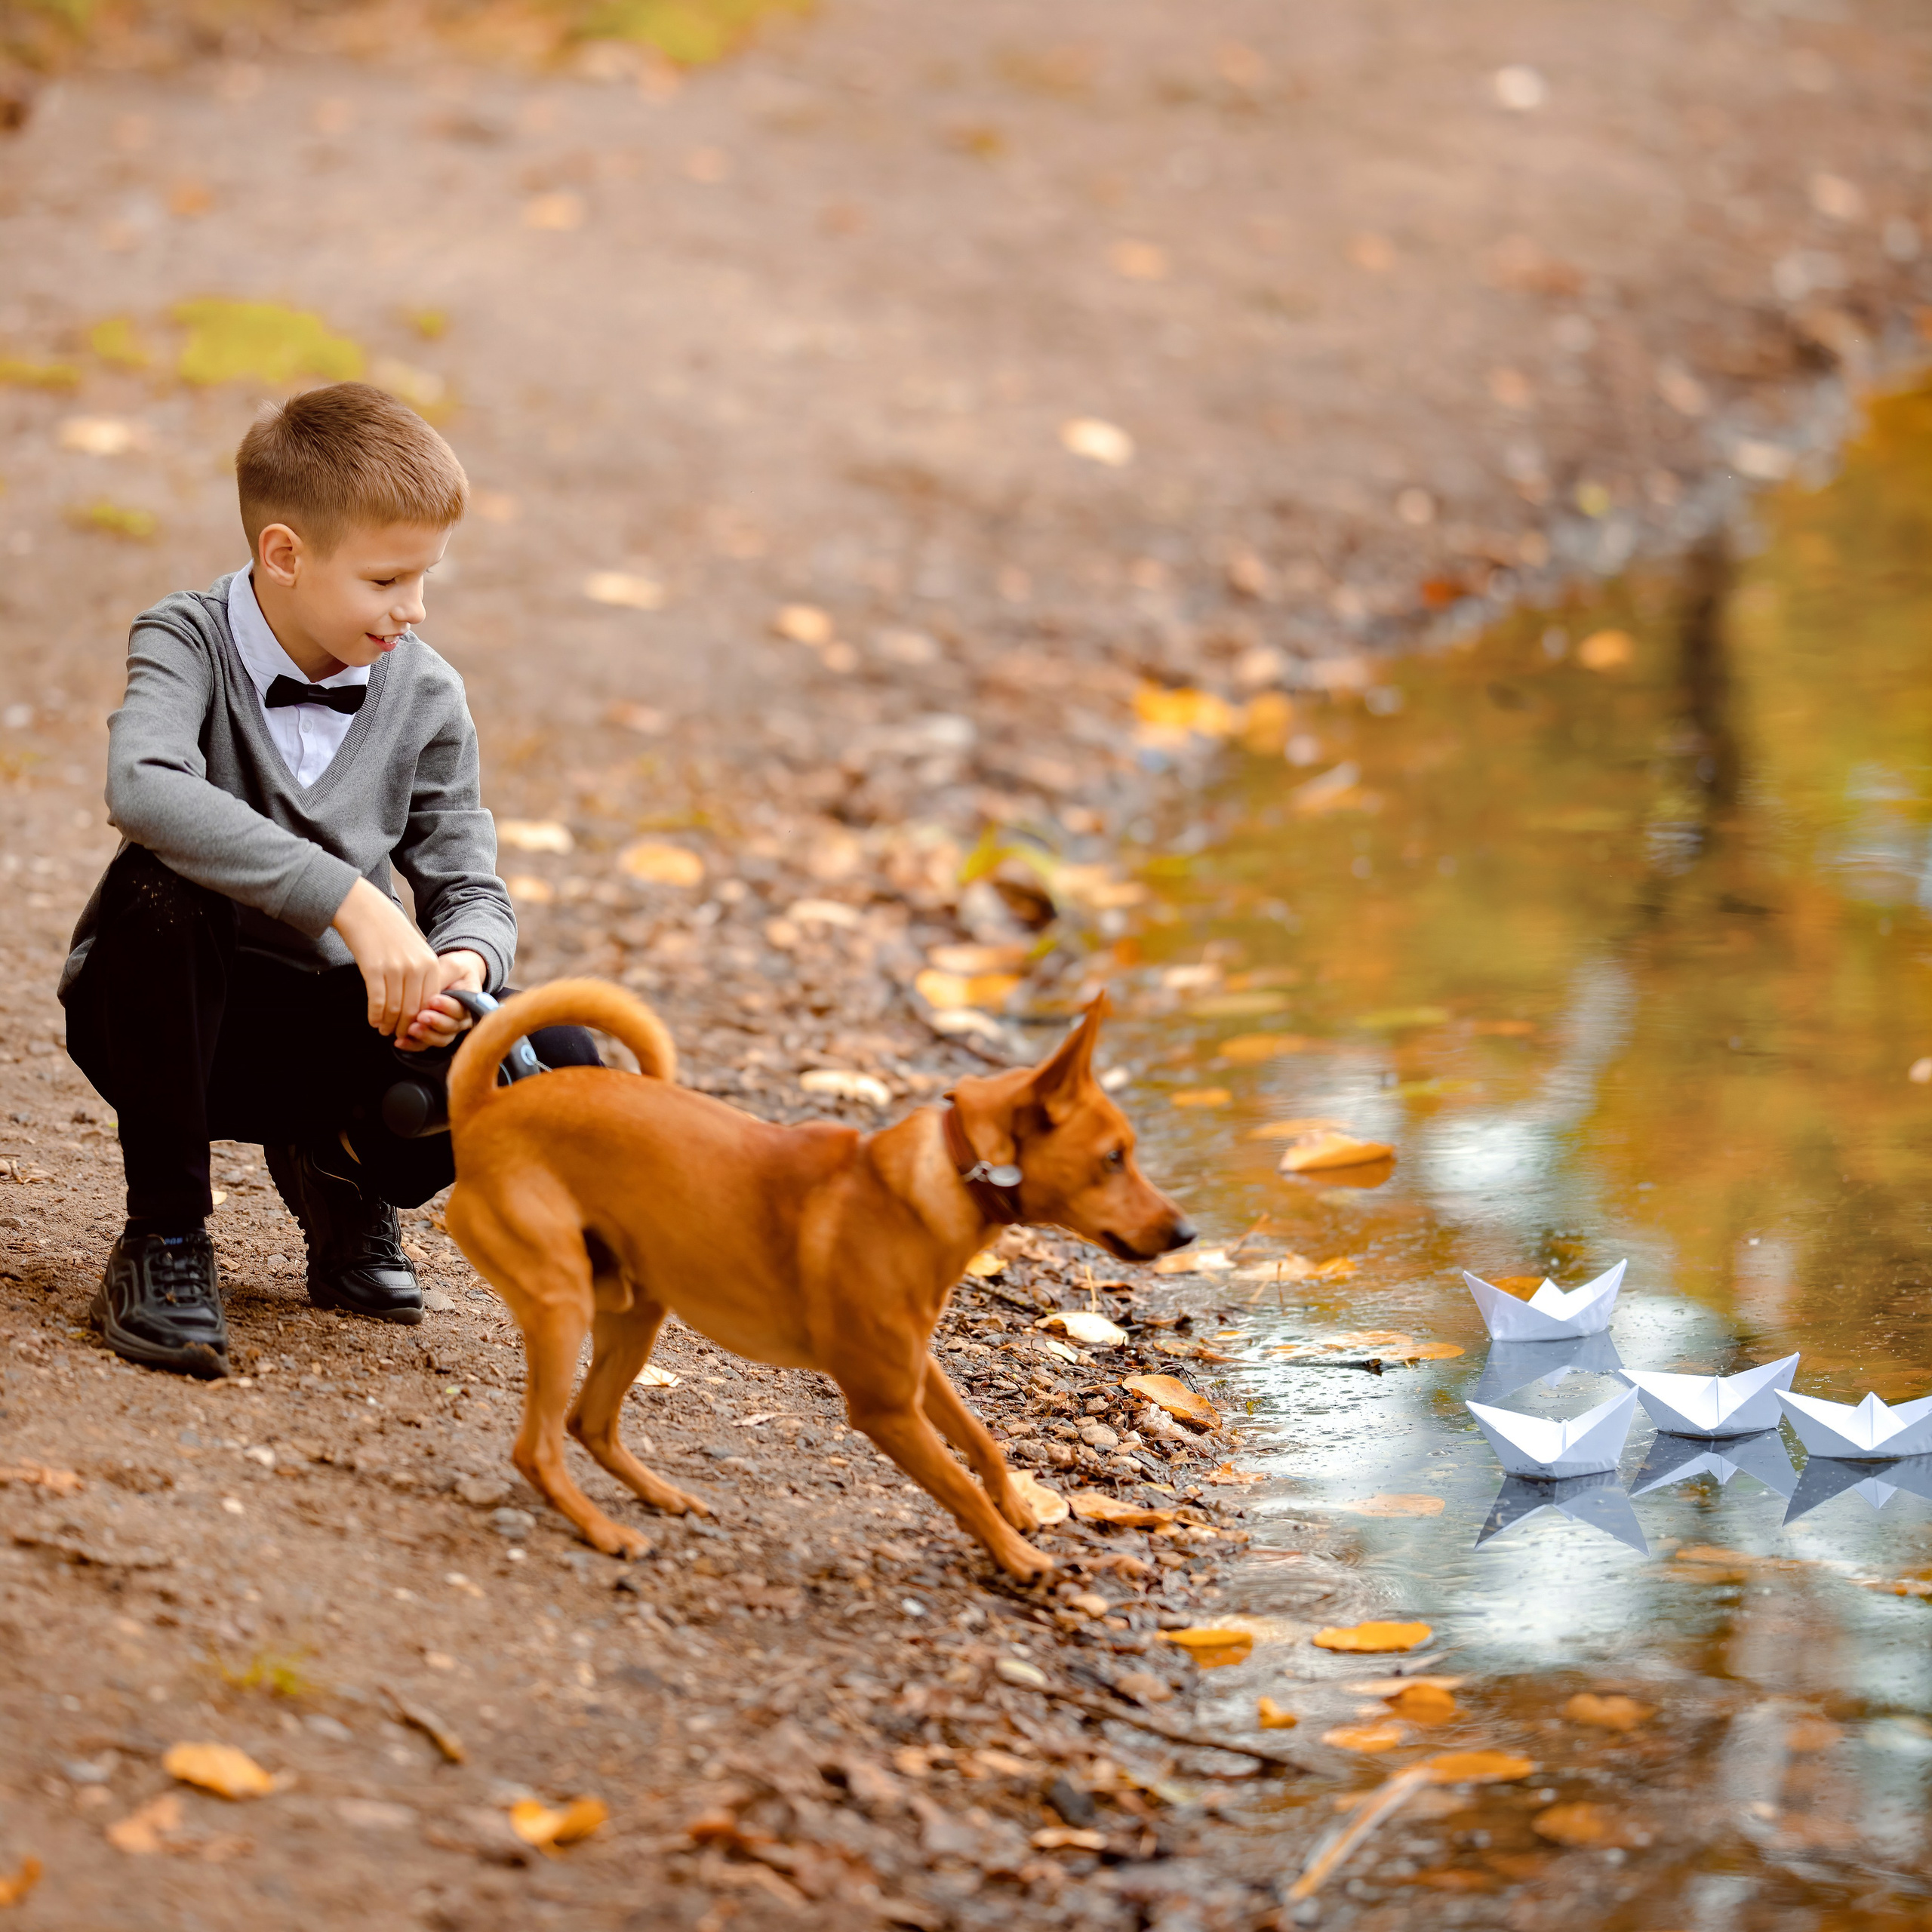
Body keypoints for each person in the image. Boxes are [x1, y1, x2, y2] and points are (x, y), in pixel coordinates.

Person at [60, 381, 595, 1379]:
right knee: (164, 889)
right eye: (387, 579)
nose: (413, 609)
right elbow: (143, 786)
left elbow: (469, 885)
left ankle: (341, 1172)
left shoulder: (425, 690)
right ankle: (164, 1237)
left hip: (321, 1031)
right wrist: (349, 901)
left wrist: (463, 964)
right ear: (284, 555)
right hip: (163, 1016)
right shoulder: (185, 638)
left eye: (426, 578)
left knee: (557, 1048)